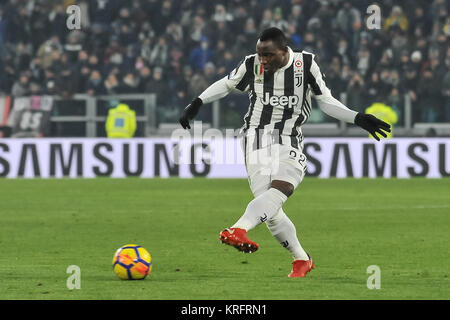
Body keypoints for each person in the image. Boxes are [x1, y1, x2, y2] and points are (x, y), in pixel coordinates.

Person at [179, 28, 390, 278]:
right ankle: (301, 259)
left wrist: (357, 117)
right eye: (260, 54)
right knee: (269, 210)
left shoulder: (306, 64)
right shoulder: (252, 64)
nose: (263, 60)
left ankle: (237, 229)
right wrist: (197, 102)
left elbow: (326, 100)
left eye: (268, 55)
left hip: (288, 138)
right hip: (254, 139)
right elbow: (226, 85)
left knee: (282, 188)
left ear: (284, 51)